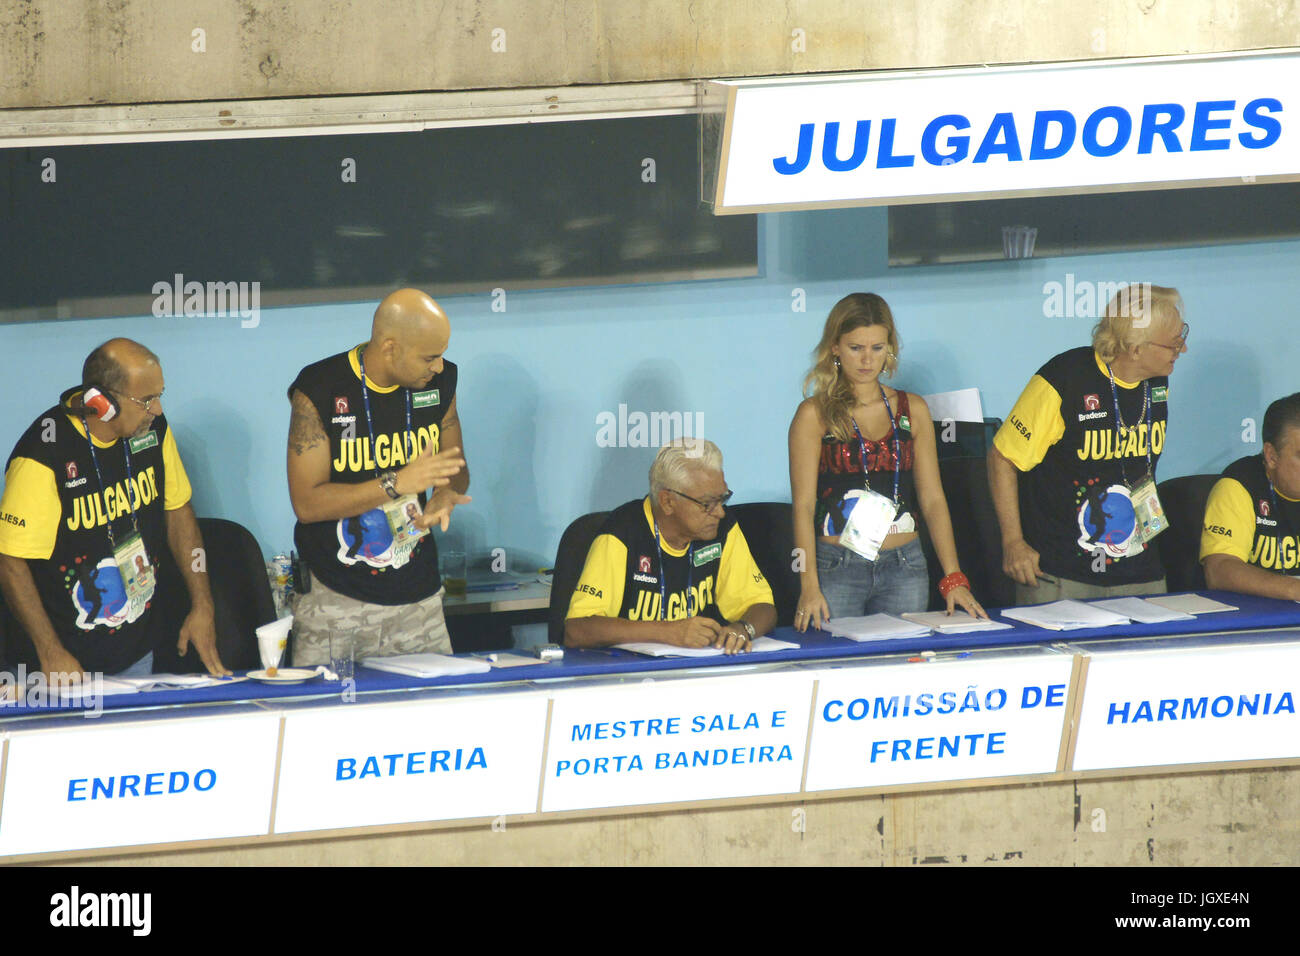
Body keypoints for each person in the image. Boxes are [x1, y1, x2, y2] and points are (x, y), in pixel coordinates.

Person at [0, 339, 228, 678]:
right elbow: (10, 561)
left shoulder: (152, 431)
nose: (158, 410)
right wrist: (49, 650)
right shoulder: (44, 454)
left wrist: (202, 605)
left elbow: (178, 511)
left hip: (136, 649)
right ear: (101, 403)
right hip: (61, 663)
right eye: (146, 400)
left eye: (160, 395)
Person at [287, 288, 469, 666]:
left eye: (442, 355)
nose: (438, 366)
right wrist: (396, 484)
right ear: (390, 348)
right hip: (337, 601)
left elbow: (454, 467)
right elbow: (306, 504)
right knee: (330, 721)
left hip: (419, 596)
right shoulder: (320, 388)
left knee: (437, 716)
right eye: (429, 357)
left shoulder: (439, 383)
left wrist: (446, 493)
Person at [789, 292, 984, 631]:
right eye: (855, 348)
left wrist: (954, 577)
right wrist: (808, 586)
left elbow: (933, 499)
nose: (867, 360)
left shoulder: (914, 409)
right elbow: (803, 506)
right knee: (841, 670)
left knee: (901, 669)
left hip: (904, 564)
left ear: (889, 348)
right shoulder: (814, 414)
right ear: (835, 347)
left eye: (877, 348)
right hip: (838, 565)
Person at [988, 283, 1187, 603]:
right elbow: (1003, 458)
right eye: (1174, 344)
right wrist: (1013, 543)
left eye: (1182, 337)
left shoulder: (1157, 380)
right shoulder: (1064, 379)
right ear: (1136, 348)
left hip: (1140, 569)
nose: (1183, 350)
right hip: (1061, 573)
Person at [565, 439, 776, 655]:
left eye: (723, 499)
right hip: (628, 675)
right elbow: (578, 629)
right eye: (707, 504)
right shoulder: (622, 533)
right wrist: (667, 632)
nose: (719, 512)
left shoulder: (723, 527)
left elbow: (762, 607)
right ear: (667, 502)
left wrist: (743, 629)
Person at [1201, 393, 1300, 599]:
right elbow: (1219, 570)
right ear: (1271, 456)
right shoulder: (1239, 486)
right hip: (1247, 619)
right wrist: (1294, 589)